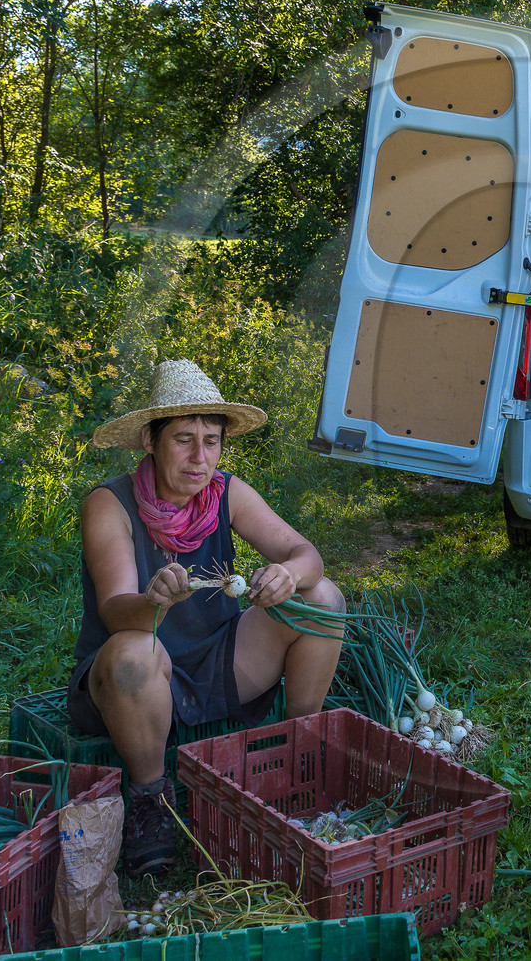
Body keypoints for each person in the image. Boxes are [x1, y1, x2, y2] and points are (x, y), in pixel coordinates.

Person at [75, 359, 345, 875]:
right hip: (130, 678)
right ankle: (151, 800)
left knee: (322, 598)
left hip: (217, 661)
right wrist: (153, 602)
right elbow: (115, 613)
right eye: (183, 439)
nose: (200, 457)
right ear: (150, 441)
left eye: (212, 440)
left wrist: (289, 573)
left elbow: (306, 553)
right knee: (135, 649)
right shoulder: (109, 504)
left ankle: (300, 750)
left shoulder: (226, 494)